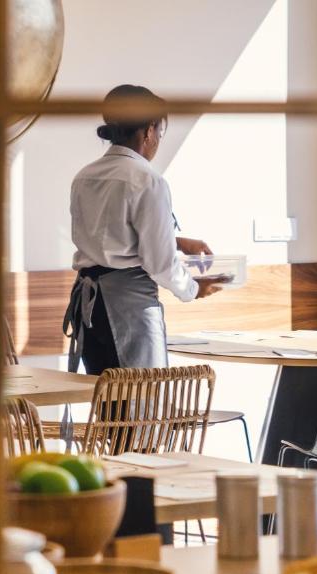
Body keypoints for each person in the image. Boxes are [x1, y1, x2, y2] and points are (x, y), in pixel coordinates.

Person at [64, 84, 224, 375]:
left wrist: (176, 240)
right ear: (149, 130)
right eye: (160, 131)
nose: (158, 140)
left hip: (89, 309)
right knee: (142, 399)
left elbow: (108, 234)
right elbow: (159, 263)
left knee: (104, 398)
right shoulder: (147, 180)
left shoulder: (84, 177)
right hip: (128, 308)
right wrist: (193, 289)